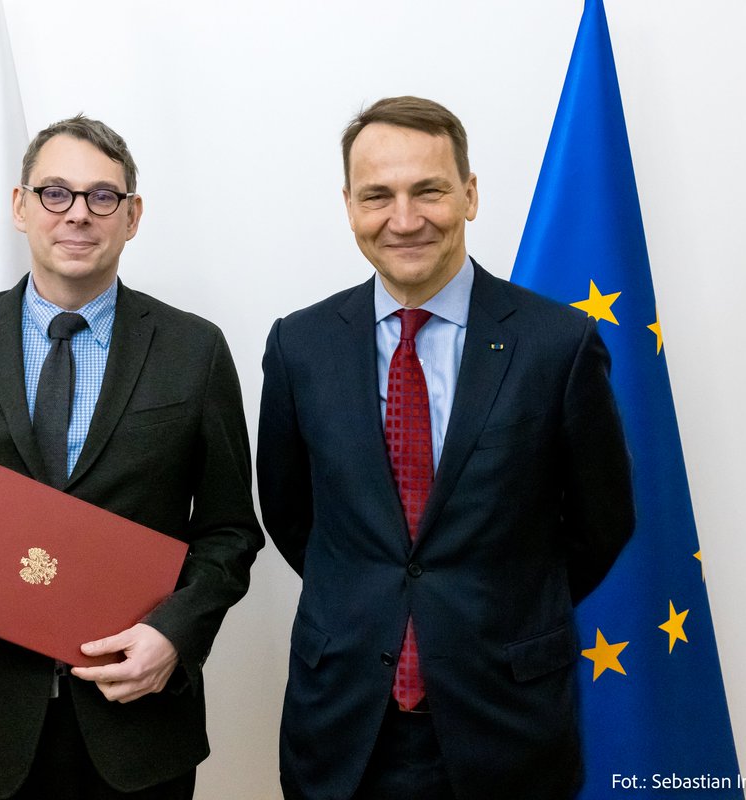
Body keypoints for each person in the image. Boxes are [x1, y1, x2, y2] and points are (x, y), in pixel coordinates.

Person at [257, 96, 635, 799]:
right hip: (342, 723)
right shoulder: (299, 347)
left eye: (428, 189)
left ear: (469, 193)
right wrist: (368, 599)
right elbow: (290, 513)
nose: (404, 219)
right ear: (349, 205)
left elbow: (602, 521)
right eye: (378, 195)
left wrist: (499, 606)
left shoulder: (558, 345)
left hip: (506, 722)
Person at [0, 115, 263, 800]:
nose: (78, 214)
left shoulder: (193, 351)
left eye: (101, 196)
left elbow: (231, 530)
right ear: (21, 207)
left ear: (132, 215)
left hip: (139, 726)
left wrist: (175, 635)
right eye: (55, 193)